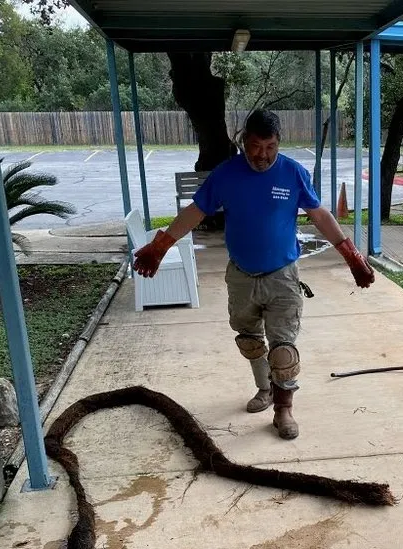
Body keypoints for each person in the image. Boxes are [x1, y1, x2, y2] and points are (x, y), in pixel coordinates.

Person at [132, 109, 375, 440]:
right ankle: (265, 389)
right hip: (241, 276)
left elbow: (319, 215)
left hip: (282, 276)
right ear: (244, 141)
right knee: (249, 340)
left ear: (279, 143)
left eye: (270, 147)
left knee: (284, 348)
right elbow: (195, 211)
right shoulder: (225, 174)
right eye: (256, 146)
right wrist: (161, 245)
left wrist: (352, 255)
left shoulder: (293, 173)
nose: (262, 155)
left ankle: (283, 409)